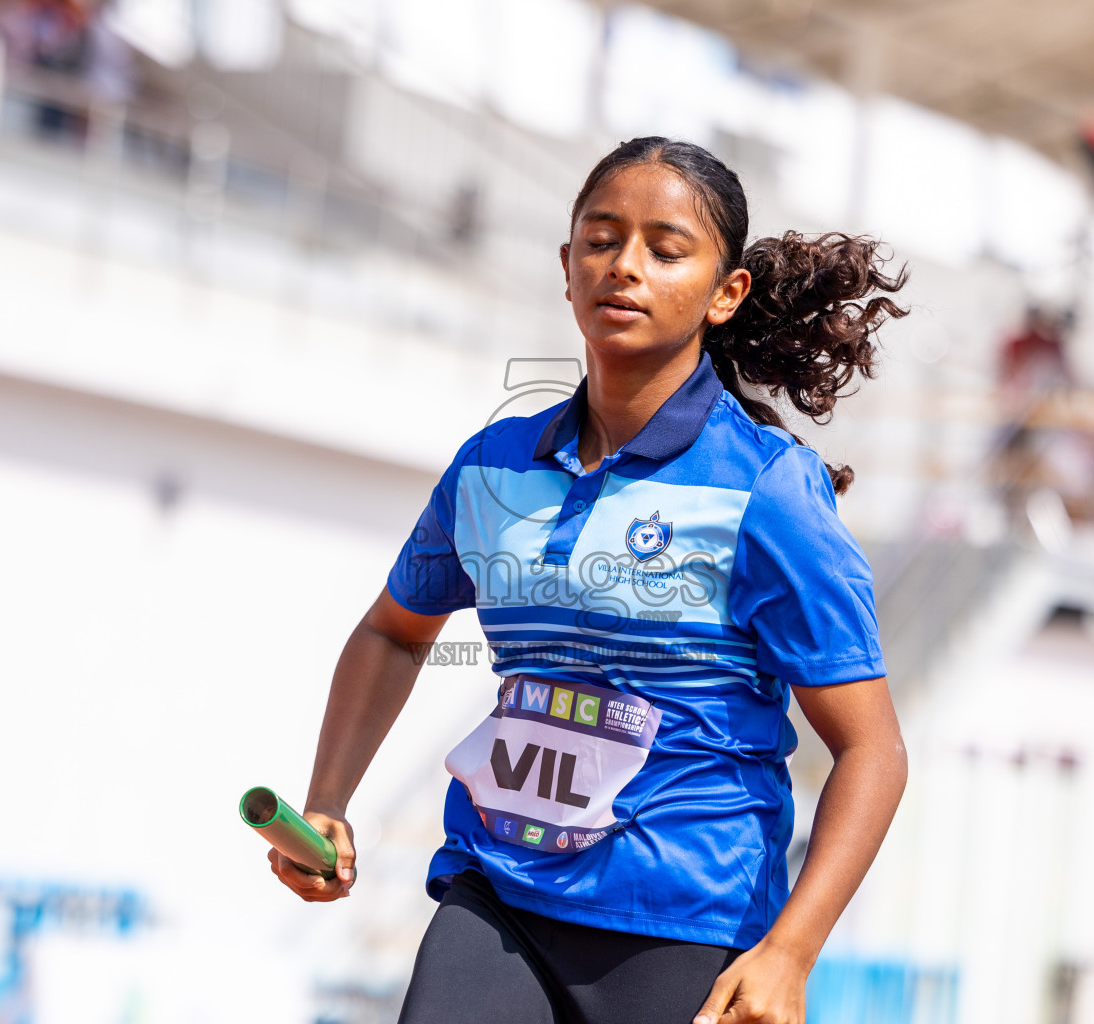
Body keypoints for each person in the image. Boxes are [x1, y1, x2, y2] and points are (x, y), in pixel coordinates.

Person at [268, 137, 911, 1024]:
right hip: (499, 887)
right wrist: (328, 800)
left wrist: (789, 954)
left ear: (726, 295)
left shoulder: (766, 488)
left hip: (681, 922)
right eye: (601, 240)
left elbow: (872, 750)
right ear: (567, 267)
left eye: (666, 248)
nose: (625, 266)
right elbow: (392, 630)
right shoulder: (492, 468)